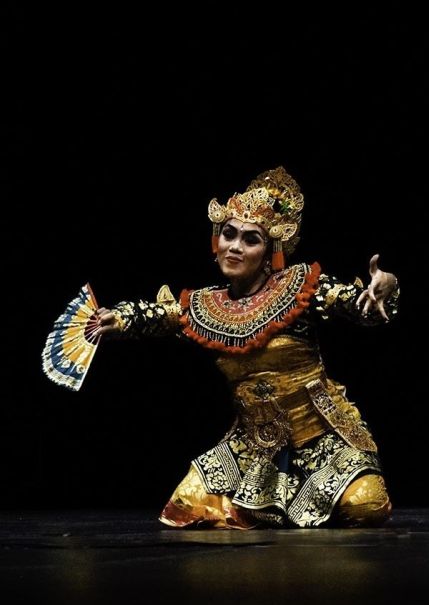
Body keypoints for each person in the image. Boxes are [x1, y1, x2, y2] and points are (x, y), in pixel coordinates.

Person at [93, 167, 399, 528]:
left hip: (319, 438)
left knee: (366, 505)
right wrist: (120, 319)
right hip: (252, 446)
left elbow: (358, 304)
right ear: (216, 240)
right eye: (229, 235)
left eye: (250, 239)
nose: (235, 247)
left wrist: (385, 286)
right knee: (184, 505)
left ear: (270, 251)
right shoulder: (205, 306)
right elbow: (158, 315)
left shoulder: (300, 288)